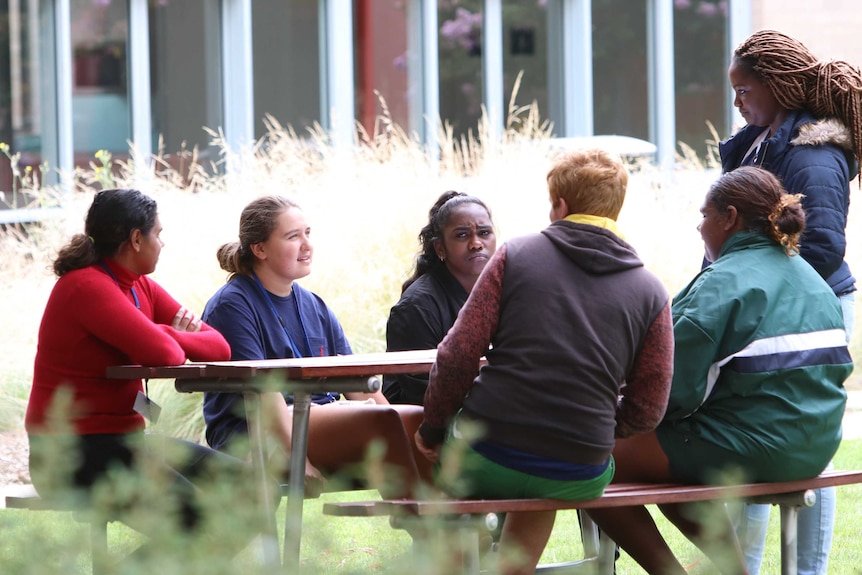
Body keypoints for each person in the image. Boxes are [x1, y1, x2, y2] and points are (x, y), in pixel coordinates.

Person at [415, 148, 675, 575]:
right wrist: (597, 426)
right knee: (544, 475)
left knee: (455, 462)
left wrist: (434, 425)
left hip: (489, 452)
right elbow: (650, 406)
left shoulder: (515, 256)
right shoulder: (650, 290)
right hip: (582, 466)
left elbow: (458, 354)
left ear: (559, 205)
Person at [587, 167, 852, 575]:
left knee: (586, 461)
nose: (699, 226)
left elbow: (667, 392)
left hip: (759, 449)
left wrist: (613, 409)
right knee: (669, 450)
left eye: (704, 215)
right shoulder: (811, 278)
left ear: (729, 218)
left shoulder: (721, 282)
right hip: (816, 447)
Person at [25, 188, 260, 557]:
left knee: (251, 491)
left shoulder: (141, 287)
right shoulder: (86, 286)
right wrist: (169, 334)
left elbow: (220, 346)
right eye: (159, 234)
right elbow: (164, 352)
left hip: (124, 442)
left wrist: (156, 330)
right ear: (137, 238)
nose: (163, 243)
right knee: (195, 518)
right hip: (69, 453)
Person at [721, 29, 861, 574]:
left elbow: (823, 246)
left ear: (776, 85)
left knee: (807, 451)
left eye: (744, 89)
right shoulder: (758, 140)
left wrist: (753, 286)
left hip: (810, 316)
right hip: (766, 315)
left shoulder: (815, 156)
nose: (737, 100)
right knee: (754, 442)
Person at [202, 195, 431, 498]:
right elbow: (262, 394)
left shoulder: (314, 305)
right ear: (259, 249)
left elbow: (358, 382)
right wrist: (300, 461)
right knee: (382, 420)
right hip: (254, 434)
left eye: (307, 233)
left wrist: (401, 423)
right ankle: (433, 532)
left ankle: (444, 527)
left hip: (316, 418)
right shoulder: (232, 305)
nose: (307, 245)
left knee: (415, 419)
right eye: (293, 236)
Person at [383, 190, 497, 405]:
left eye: (484, 233)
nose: (476, 243)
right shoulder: (418, 306)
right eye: (462, 235)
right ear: (440, 248)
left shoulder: (505, 289)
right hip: (421, 423)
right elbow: (422, 392)